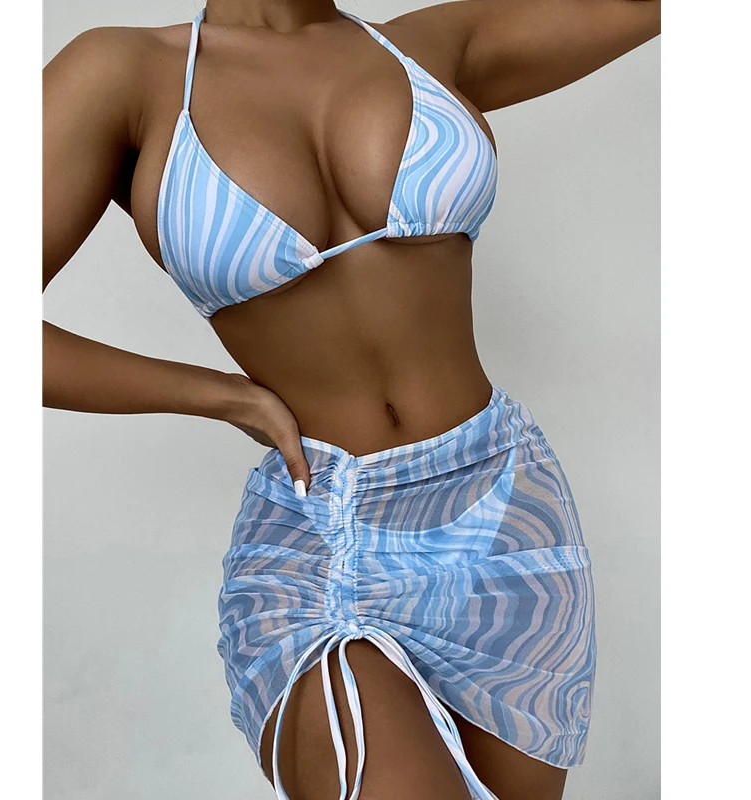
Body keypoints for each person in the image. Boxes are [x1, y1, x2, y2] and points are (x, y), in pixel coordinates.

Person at [43, 2, 660, 798]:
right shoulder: (124, 74)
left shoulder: (429, 46)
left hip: (507, 519)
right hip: (325, 544)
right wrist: (225, 397)